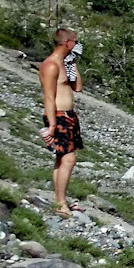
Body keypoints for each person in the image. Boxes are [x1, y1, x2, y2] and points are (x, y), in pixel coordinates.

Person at [38, 28, 84, 216]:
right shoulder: (51, 66)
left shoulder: (64, 64)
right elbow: (49, 97)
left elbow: (77, 87)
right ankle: (60, 203)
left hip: (69, 115)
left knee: (62, 159)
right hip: (57, 115)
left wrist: (73, 63)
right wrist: (52, 124)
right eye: (75, 41)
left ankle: (60, 200)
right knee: (68, 160)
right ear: (67, 43)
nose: (77, 44)